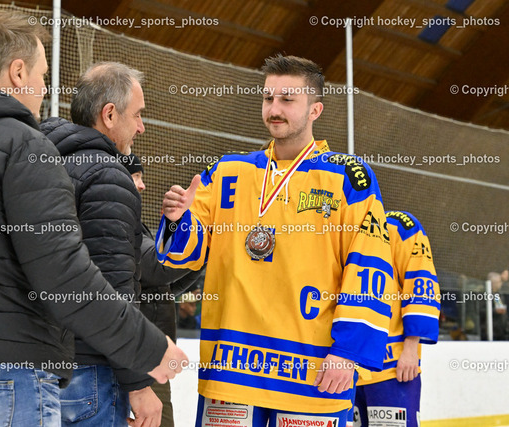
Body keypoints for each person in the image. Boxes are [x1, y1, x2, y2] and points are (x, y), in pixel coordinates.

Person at [0, 11, 186, 427]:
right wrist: (150, 350)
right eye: (44, 75)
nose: (45, 89)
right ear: (17, 71)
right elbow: (63, 274)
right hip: (7, 379)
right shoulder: (25, 146)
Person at [155, 54, 395, 426]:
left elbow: (371, 267)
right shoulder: (227, 171)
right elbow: (182, 256)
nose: (274, 109)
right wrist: (176, 221)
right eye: (268, 98)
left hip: (313, 374)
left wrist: (347, 352)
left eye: (287, 99)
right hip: (232, 371)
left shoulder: (348, 178)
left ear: (315, 109)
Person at [40, 62, 166, 427]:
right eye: (138, 115)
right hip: (90, 371)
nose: (141, 127)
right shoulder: (108, 175)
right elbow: (113, 291)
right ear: (109, 114)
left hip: (44, 367)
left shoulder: (40, 165)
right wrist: (138, 384)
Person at [122, 153, 205, 427]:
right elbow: (160, 268)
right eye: (137, 177)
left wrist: (199, 253)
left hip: (150, 360)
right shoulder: (122, 224)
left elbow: (164, 283)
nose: (143, 185)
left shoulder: (136, 223)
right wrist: (188, 228)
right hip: (138, 362)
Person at [352, 211, 441, 427]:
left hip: (392, 366)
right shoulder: (338, 225)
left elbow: (421, 286)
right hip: (347, 367)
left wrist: (410, 350)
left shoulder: (399, 226)